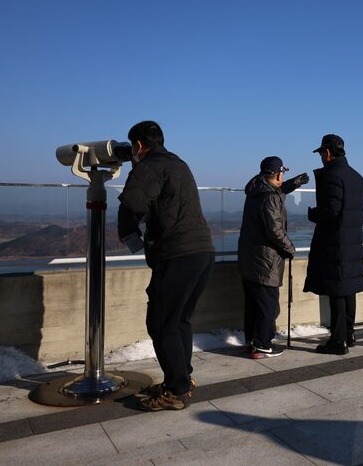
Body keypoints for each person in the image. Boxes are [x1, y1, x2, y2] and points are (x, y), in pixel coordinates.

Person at [117, 121, 216, 411]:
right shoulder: (178, 163)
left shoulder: (149, 166)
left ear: (137, 146)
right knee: (180, 319)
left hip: (177, 254)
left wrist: (129, 236)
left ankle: (176, 389)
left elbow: (132, 204)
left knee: (161, 323)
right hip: (202, 251)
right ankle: (183, 378)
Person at [238, 157, 308, 358]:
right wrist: (290, 248)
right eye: (282, 173)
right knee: (268, 304)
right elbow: (275, 231)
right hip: (265, 261)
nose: (283, 176)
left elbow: (274, 190)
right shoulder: (270, 198)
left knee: (253, 303)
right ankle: (262, 344)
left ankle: (252, 341)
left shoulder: (256, 190)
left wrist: (292, 184)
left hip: (249, 258)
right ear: (278, 173)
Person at [304, 134, 363, 355]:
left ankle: (338, 342)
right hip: (352, 242)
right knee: (348, 290)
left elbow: (330, 211)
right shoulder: (357, 177)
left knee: (337, 291)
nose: (321, 157)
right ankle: (349, 334)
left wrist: (312, 214)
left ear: (327, 153)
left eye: (321, 153)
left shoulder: (332, 175)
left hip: (335, 244)